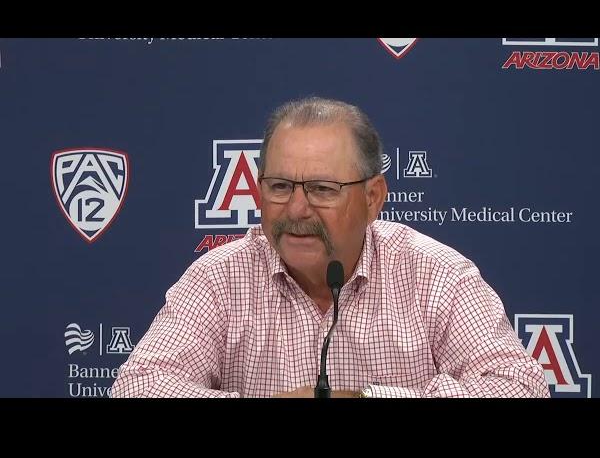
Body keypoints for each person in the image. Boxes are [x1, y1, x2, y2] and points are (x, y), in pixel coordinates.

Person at [111, 97, 550, 398]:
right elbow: (138, 386)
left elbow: (518, 386)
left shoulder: (434, 274)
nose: (297, 209)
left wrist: (365, 397)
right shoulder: (220, 278)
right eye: (280, 186)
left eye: (323, 189)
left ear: (373, 197)